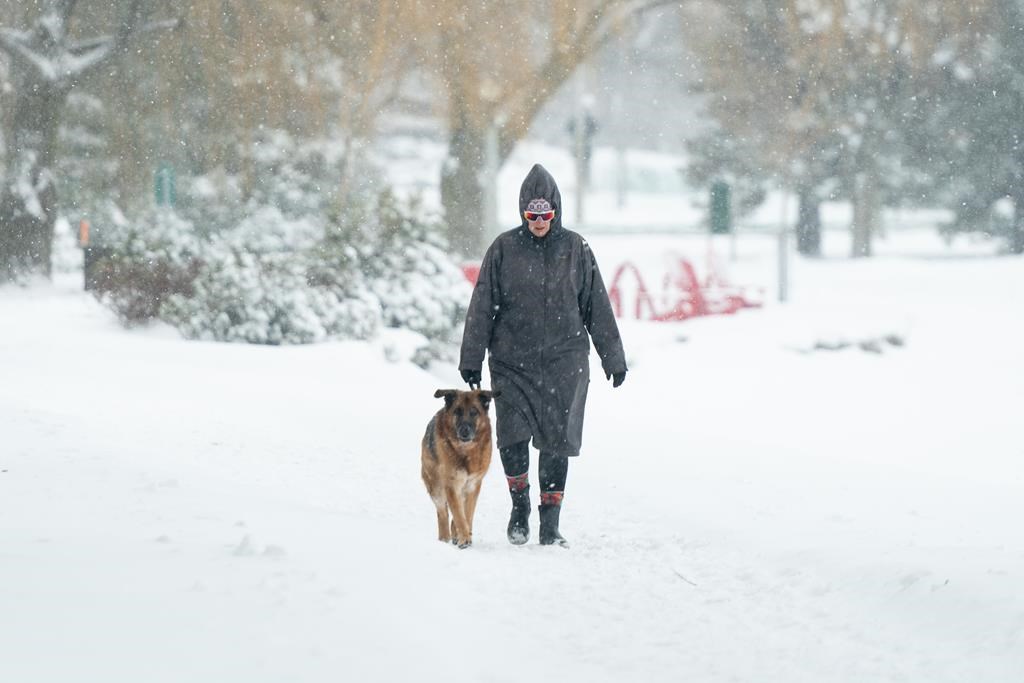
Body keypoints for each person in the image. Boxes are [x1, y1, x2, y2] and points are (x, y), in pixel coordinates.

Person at [459, 163, 627, 548]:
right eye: (531, 215)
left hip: (564, 363)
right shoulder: (503, 249)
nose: (538, 221)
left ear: (556, 211)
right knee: (512, 436)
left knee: (556, 441)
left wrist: (612, 358)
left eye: (545, 214)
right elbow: (482, 305)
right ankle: (520, 507)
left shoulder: (576, 249)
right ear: (522, 212)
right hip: (511, 362)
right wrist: (471, 357)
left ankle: (550, 525)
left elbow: (596, 307)